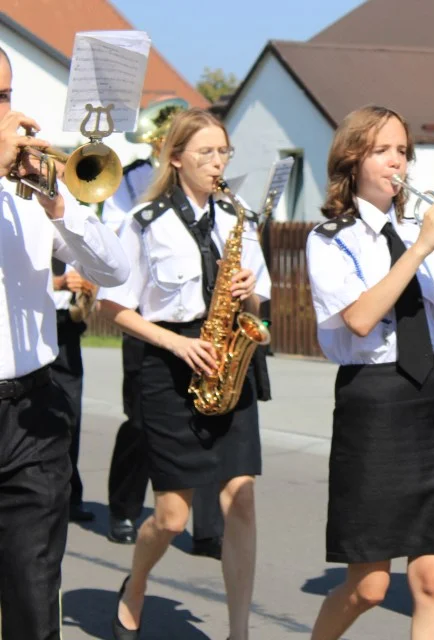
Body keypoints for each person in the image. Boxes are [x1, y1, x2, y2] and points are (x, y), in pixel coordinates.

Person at [306, 105, 434, 640]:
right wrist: (424, 245)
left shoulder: (418, 232)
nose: (397, 160)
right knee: (370, 587)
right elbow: (359, 318)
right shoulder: (331, 237)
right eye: (383, 149)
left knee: (432, 580)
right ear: (353, 158)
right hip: (374, 404)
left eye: (402, 150)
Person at [97, 108, 269, 640]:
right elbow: (111, 307)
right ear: (176, 159)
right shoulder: (142, 224)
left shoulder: (237, 221)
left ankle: (238, 630)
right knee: (172, 517)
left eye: (224, 153)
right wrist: (176, 342)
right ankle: (138, 582)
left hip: (228, 363)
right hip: (169, 367)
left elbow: (260, 303)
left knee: (239, 497)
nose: (218, 163)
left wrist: (250, 292)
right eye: (206, 153)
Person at [0, 45, 130, 640]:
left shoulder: (26, 196)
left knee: (33, 592)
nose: (8, 113)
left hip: (32, 410)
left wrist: (60, 204)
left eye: (3, 96)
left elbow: (114, 270)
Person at [101, 97, 225, 556]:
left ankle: (210, 528)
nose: (214, 162)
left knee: (214, 431)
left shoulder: (225, 206)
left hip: (209, 338)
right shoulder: (130, 184)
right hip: (152, 325)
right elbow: (114, 242)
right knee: (139, 423)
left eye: (220, 152)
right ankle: (124, 507)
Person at [50, 258, 98, 523]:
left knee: (70, 417)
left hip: (66, 329)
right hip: (29, 326)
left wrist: (89, 292)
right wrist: (57, 283)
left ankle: (69, 496)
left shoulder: (70, 235)